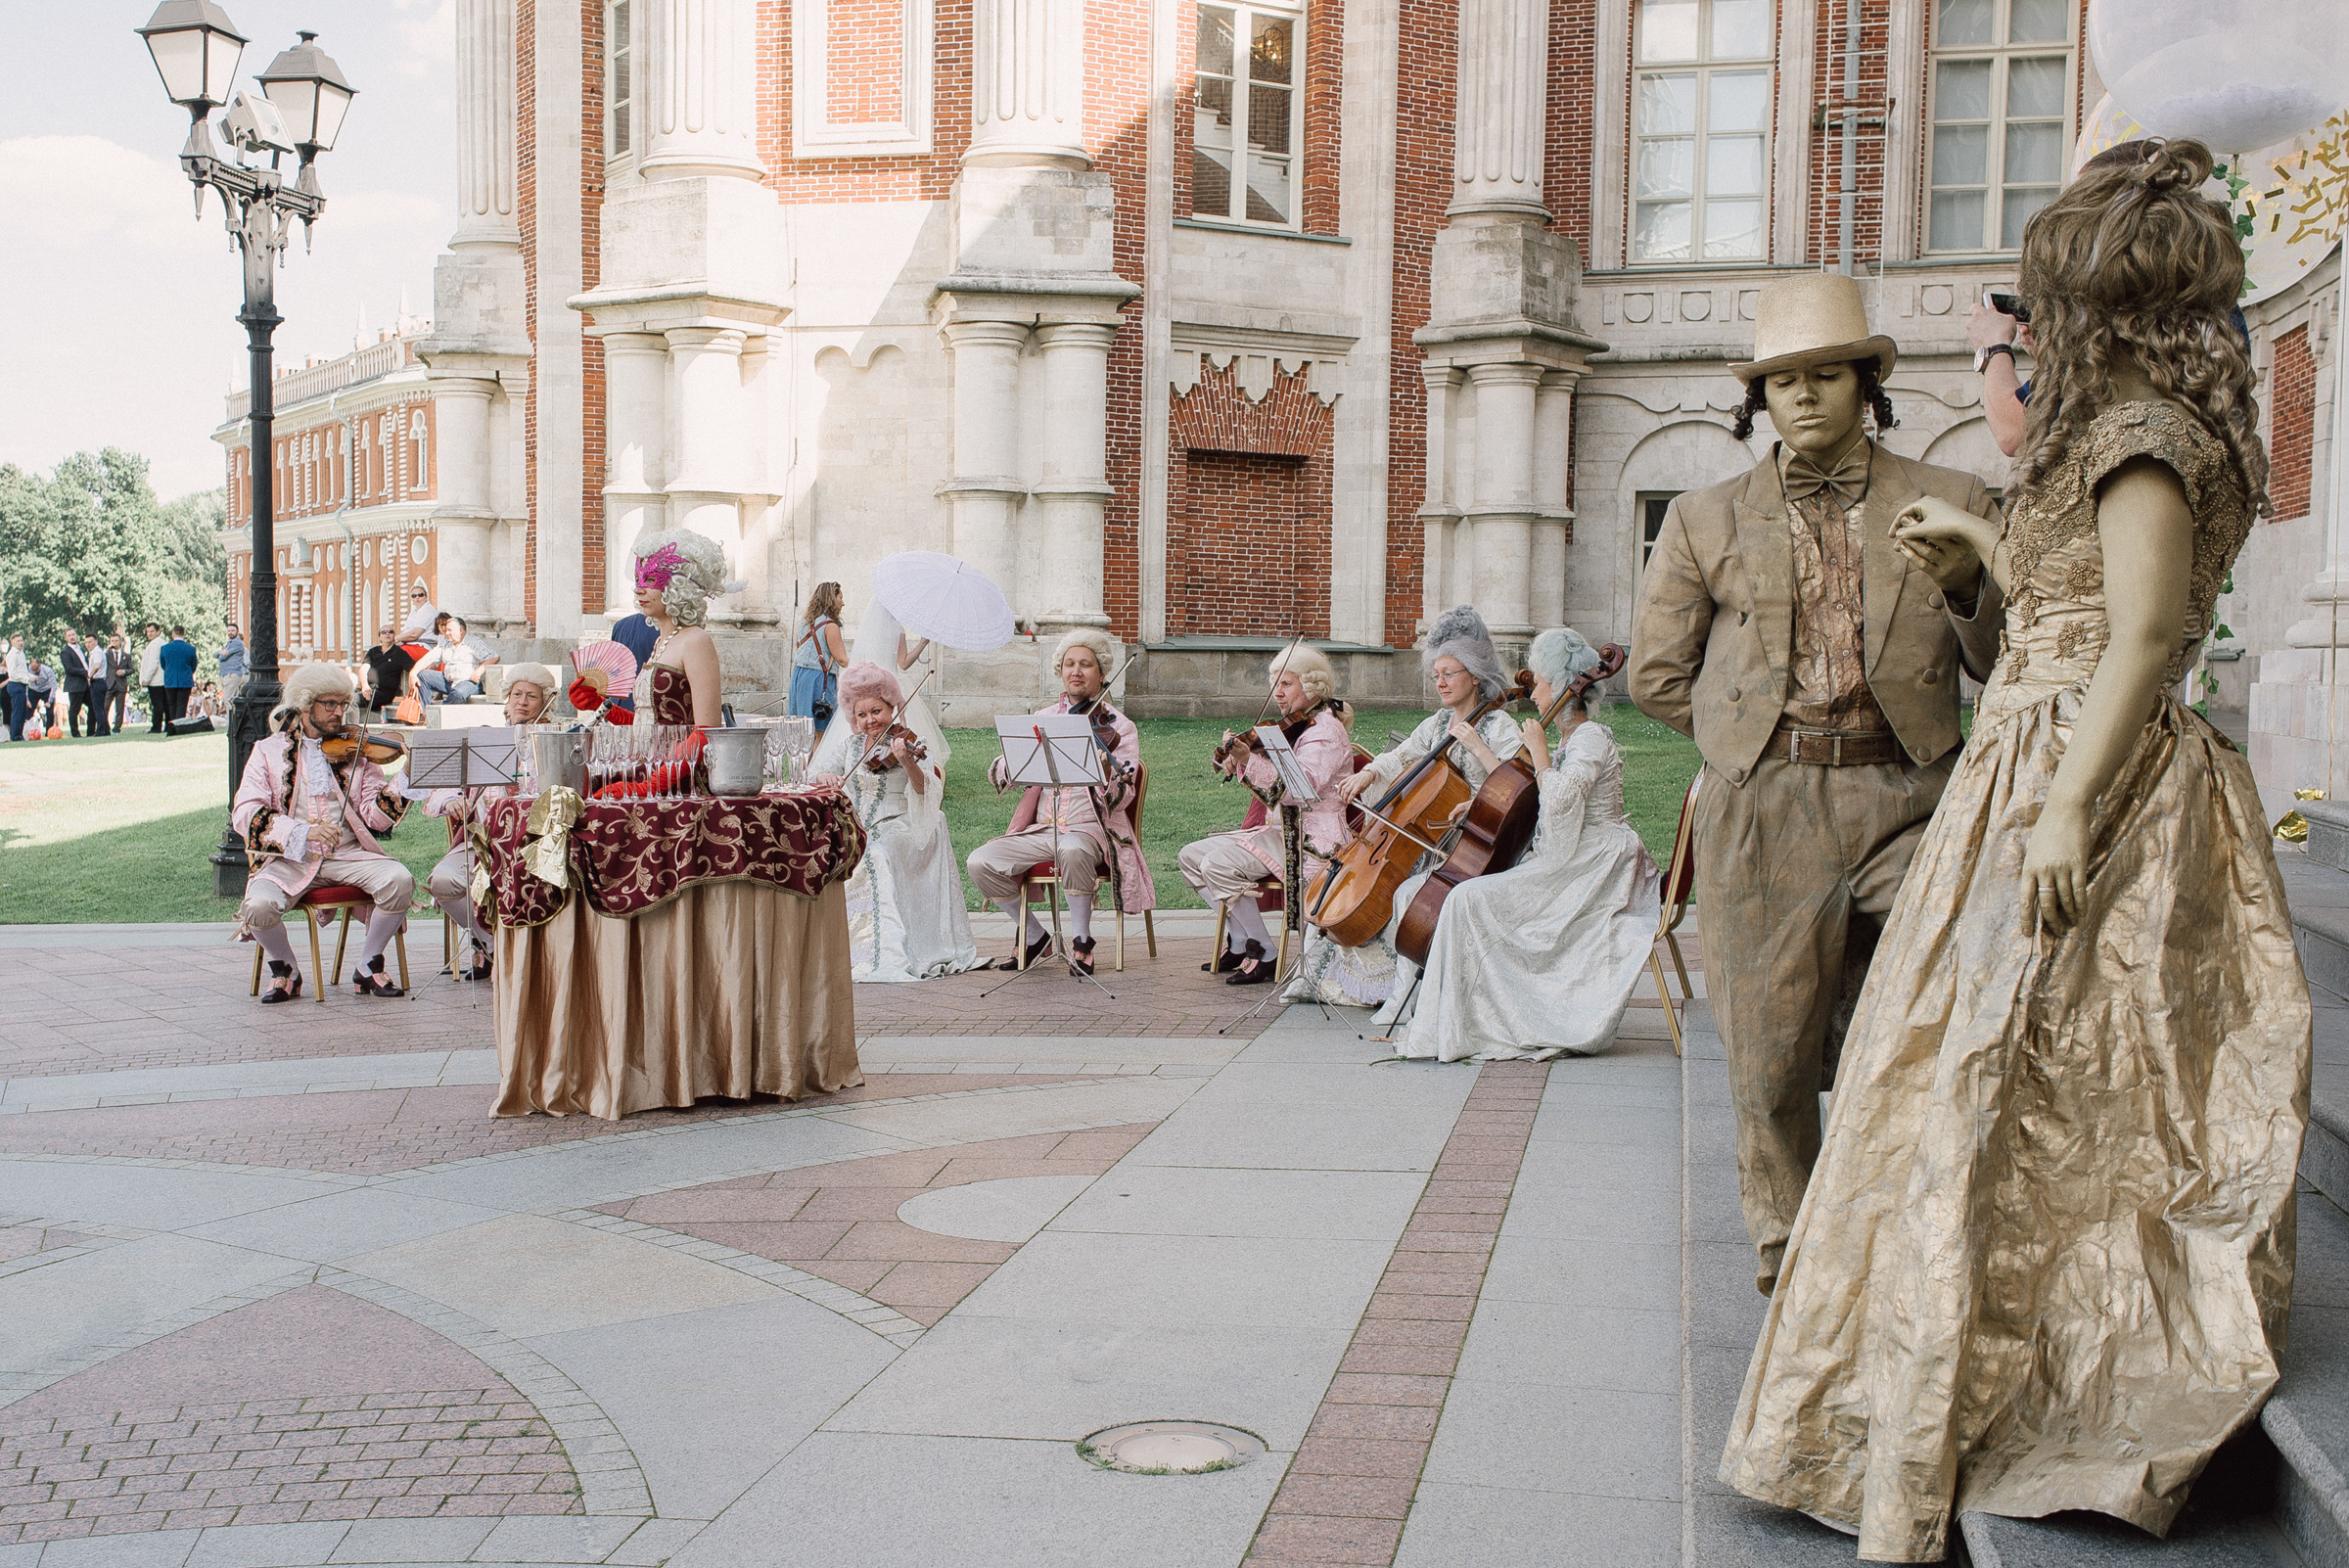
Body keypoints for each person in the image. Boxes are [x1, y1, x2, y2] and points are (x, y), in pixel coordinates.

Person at [1719, 141, 2310, 1560]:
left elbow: (2149, 635)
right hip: (2029, 763)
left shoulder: (2145, 433)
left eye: (2038, 303)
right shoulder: (2112, 430)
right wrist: (1984, 563)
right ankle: (1932, 1355)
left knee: (2069, 1094)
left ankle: (2041, 1376)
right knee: (1978, 1079)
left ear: (2101, 297)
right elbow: (2070, 618)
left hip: (2091, 783)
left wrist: (2063, 804)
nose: (2021, 332)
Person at [1630, 271, 2004, 1300]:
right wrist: (1742, 741)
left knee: (1932, 1016)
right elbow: (1653, 676)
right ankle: (1788, 1258)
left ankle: (1907, 1221)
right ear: (1761, 398)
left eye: (1825, 374)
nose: (1803, 396)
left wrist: (1967, 580)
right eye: (1784, 379)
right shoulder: (1707, 518)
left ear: (1866, 383)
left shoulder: (1955, 500)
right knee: (1768, 1054)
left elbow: (2001, 658)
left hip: (1911, 798)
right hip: (1766, 804)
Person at [1400, 628, 1660, 1062]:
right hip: (1573, 854)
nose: (1532, 691)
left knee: (1468, 899)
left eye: (1538, 681)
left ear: (1559, 686)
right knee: (1467, 898)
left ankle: (1483, 1022)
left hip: (1591, 863)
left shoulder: (1591, 738)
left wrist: (1539, 754)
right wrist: (1484, 807)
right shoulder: (1571, 740)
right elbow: (1545, 807)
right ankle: (1465, 1019)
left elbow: (1559, 821)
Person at [1301, 606, 1527, 1023]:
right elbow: (1403, 754)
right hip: (1430, 840)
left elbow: (1513, 789)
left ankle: (1406, 995)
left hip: (1472, 845)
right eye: (1436, 673)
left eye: (1450, 673)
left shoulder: (1499, 727)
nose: (1440, 682)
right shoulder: (1439, 722)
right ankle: (1351, 979)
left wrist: (1476, 749)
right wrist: (1368, 772)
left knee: (1403, 892)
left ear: (1475, 675)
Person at [965, 628, 1155, 976]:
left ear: (1101, 673)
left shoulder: (1119, 727)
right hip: (1042, 830)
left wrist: (1105, 773)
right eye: (1069, 664)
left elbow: (1122, 795)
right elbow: (1002, 773)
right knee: (981, 862)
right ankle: (1038, 937)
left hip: (1092, 832)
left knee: (1071, 847)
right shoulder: (1044, 718)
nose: (1076, 671)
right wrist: (1012, 761)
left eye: (1085, 664)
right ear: (1060, 670)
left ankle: (1082, 942)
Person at [230, 664, 416, 1001]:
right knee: (257, 906)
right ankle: (286, 969)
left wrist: (406, 776)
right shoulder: (268, 751)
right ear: (304, 705)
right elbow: (245, 812)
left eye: (343, 704)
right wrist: (301, 832)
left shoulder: (355, 751)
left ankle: (368, 963)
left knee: (399, 879)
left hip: (346, 855)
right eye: (329, 704)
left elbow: (377, 819)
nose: (338, 712)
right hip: (290, 858)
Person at [1179, 644, 1355, 986]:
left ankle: (1266, 954)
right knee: (1190, 856)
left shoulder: (1326, 731)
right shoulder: (1297, 726)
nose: (1278, 693)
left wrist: (1249, 760)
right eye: (1275, 684)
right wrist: (1235, 758)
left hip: (1313, 836)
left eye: (1286, 684)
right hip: (1282, 830)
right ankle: (1244, 939)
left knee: (1217, 865)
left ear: (1312, 686)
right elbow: (1274, 772)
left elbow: (1298, 790)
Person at [815, 661, 981, 982]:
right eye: (861, 715)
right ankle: (843, 949)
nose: (869, 721)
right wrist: (825, 775)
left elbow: (923, 790)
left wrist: (906, 761)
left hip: (902, 823)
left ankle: (884, 951)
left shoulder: (905, 743)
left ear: (892, 706)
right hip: (861, 826)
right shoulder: (851, 747)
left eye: (876, 711)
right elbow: (818, 772)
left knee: (876, 854)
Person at [421, 663, 559, 982]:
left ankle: (529, 955)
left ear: (546, 702)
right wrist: (451, 799)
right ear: (507, 700)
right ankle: (490, 945)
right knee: (443, 880)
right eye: (516, 694)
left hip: (534, 846)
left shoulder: (555, 739)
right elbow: (440, 787)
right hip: (483, 842)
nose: (522, 702)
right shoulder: (483, 739)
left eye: (532, 696)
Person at [630, 529, 738, 728]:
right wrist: (603, 707)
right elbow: (653, 721)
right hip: (647, 759)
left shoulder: (695, 640)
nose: (639, 589)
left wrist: (671, 760)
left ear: (678, 587)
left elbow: (707, 729)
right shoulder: (661, 641)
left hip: (679, 760)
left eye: (651, 580)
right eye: (638, 579)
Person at [791, 581, 848, 722]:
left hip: (800, 675)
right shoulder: (830, 626)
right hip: (818, 677)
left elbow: (799, 649)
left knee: (802, 726)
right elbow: (842, 659)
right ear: (831, 599)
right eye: (840, 598)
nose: (843, 603)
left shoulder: (804, 623)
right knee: (821, 729)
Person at [412, 617, 499, 705]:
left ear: (461, 631)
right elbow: (429, 657)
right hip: (448, 682)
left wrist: (479, 671)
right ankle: (425, 711)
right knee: (423, 675)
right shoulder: (445, 644)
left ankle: (440, 709)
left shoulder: (474, 643)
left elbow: (494, 657)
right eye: (446, 630)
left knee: (459, 693)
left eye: (450, 630)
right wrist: (413, 673)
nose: (447, 633)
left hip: (468, 683)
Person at [61, 631, 107, 738]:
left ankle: (91, 731)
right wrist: (87, 672)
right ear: (66, 638)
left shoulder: (81, 649)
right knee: (74, 709)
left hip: (87, 683)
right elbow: (69, 669)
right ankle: (75, 733)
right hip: (75, 684)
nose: (72, 637)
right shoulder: (65, 652)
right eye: (69, 635)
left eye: (73, 634)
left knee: (93, 705)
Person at [364, 627, 417, 716]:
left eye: (390, 632)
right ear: (379, 637)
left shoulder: (399, 653)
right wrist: (364, 685)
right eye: (384, 632)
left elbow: (414, 668)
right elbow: (363, 669)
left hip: (383, 693)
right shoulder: (373, 651)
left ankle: (351, 727)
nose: (387, 634)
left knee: (354, 700)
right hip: (368, 688)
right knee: (346, 697)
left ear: (394, 637)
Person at [160, 626, 197, 727]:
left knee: (171, 704)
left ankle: (173, 725)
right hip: (185, 679)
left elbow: (163, 664)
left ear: (173, 634)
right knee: (182, 704)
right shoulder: (191, 648)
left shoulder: (165, 648)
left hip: (170, 679)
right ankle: (179, 725)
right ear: (184, 633)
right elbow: (193, 665)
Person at [139, 623, 166, 734]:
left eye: (152, 631)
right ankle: (166, 726)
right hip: (161, 679)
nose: (149, 634)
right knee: (164, 704)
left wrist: (146, 678)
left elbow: (153, 663)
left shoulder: (155, 644)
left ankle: (156, 727)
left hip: (155, 680)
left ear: (158, 631)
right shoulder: (161, 643)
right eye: (148, 631)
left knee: (158, 705)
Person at [215, 624, 248, 706]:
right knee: (232, 700)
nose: (230, 633)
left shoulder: (237, 643)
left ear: (237, 632)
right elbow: (216, 655)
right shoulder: (229, 643)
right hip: (226, 674)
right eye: (229, 631)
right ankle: (233, 717)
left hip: (232, 674)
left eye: (232, 631)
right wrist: (220, 653)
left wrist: (221, 653)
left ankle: (231, 718)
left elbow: (222, 658)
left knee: (227, 700)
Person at [106, 633, 132, 732]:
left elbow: (132, 669)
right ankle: (105, 726)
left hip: (121, 684)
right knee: (105, 706)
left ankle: (116, 729)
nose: (114, 643)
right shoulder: (107, 654)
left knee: (120, 708)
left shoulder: (126, 655)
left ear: (120, 641)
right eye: (112, 641)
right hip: (109, 684)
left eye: (116, 641)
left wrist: (124, 672)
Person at [23, 657, 56, 736]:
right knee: (29, 711)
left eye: (36, 670)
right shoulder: (27, 669)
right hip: (33, 690)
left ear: (40, 665)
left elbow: (54, 686)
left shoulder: (47, 670)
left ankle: (49, 732)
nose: (34, 671)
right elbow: (25, 685)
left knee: (50, 712)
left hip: (46, 689)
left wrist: (49, 701)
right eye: (33, 670)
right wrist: (27, 699)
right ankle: (27, 731)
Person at [4, 634, 27, 742]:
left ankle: (19, 733)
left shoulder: (21, 654)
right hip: (16, 683)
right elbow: (12, 674)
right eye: (17, 641)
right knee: (17, 711)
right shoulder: (12, 655)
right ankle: (15, 735)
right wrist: (26, 679)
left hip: (22, 684)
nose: (20, 643)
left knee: (22, 711)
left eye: (21, 640)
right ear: (12, 643)